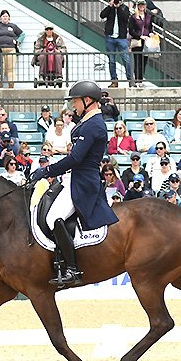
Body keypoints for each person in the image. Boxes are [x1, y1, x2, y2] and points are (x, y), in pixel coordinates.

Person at [29, 80, 119, 286]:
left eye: (76, 102)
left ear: (88, 101)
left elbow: (76, 158)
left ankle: (72, 269)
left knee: (54, 217)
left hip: (82, 181)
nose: (73, 106)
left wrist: (47, 171)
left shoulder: (94, 124)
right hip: (72, 178)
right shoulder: (85, 122)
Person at [100, 0, 134, 88]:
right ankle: (114, 80)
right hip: (110, 37)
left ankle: (130, 80)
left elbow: (125, 18)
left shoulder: (124, 8)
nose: (117, 1)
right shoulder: (110, 8)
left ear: (122, 0)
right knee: (111, 60)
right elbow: (102, 15)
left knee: (126, 59)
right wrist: (110, 6)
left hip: (121, 38)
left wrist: (118, 7)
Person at [0, 10, 24, 89]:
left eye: (6, 16)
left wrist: (18, 41)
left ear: (9, 18)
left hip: (11, 49)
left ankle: (11, 86)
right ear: (0, 18)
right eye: (3, 16)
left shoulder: (13, 26)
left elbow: (22, 34)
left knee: (10, 69)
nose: (5, 17)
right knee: (0, 68)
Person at [128, 0, 153, 86]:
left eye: (143, 5)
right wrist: (139, 36)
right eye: (140, 5)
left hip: (146, 41)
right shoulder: (133, 17)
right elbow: (131, 30)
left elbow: (150, 28)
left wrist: (150, 33)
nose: (141, 7)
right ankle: (137, 80)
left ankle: (141, 80)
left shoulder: (148, 16)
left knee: (144, 62)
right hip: (138, 41)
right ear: (137, 6)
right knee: (137, 61)